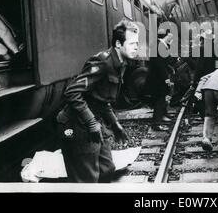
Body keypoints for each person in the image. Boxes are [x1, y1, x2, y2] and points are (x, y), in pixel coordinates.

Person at [56, 20, 138, 183]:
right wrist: (92, 122)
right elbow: (72, 92)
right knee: (87, 179)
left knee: (107, 170)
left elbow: (101, 100)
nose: (136, 47)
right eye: (132, 43)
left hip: (92, 122)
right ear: (118, 44)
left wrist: (115, 124)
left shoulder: (120, 63)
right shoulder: (103, 62)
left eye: (137, 43)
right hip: (76, 125)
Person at [144, 29, 174, 131]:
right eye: (170, 34)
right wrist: (166, 78)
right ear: (166, 35)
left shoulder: (161, 45)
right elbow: (159, 65)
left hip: (159, 78)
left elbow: (166, 61)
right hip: (158, 79)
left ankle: (163, 116)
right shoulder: (159, 46)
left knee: (163, 96)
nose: (172, 36)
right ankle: (156, 124)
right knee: (160, 99)